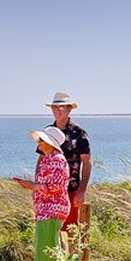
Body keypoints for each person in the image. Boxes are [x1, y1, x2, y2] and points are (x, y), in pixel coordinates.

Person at [15, 127, 70, 261]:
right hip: (47, 210)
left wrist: (32, 186)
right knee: (48, 248)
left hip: (51, 211)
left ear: (50, 143)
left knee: (46, 250)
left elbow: (54, 188)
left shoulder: (56, 161)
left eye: (42, 140)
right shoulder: (51, 159)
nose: (38, 143)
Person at [38, 92, 91, 239]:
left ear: (69, 109)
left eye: (62, 107)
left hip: (71, 190)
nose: (58, 111)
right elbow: (41, 159)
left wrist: (82, 190)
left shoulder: (79, 133)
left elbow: (86, 162)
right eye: (55, 107)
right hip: (50, 192)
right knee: (52, 233)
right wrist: (38, 185)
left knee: (72, 232)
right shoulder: (47, 132)